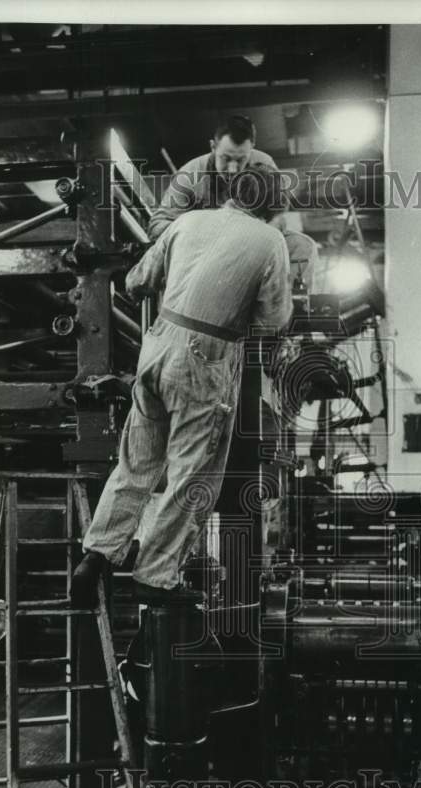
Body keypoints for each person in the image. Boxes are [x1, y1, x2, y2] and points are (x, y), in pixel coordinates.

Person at [72, 165, 293, 607]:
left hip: (155, 349)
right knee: (191, 475)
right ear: (273, 207)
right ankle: (154, 577)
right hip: (205, 359)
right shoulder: (271, 241)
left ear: (233, 192)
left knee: (136, 464)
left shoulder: (187, 222)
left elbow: (135, 282)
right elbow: (272, 320)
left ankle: (97, 555)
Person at [147, 114, 279, 241]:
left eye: (241, 160)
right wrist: (202, 228)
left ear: (252, 148)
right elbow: (156, 228)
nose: (232, 169)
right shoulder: (188, 176)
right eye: (226, 158)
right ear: (213, 147)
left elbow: (279, 217)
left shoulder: (265, 166)